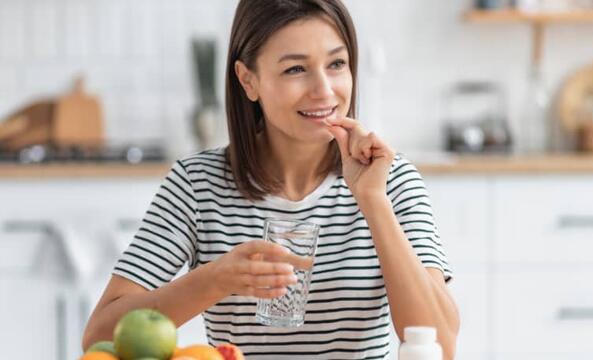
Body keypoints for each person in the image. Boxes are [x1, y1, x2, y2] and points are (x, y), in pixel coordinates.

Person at [82, 0, 459, 358]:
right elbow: (99, 336)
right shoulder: (198, 185)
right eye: (295, 69)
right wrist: (216, 280)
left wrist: (373, 201)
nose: (324, 91)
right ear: (248, 81)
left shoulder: (390, 180)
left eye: (336, 64)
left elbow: (441, 346)